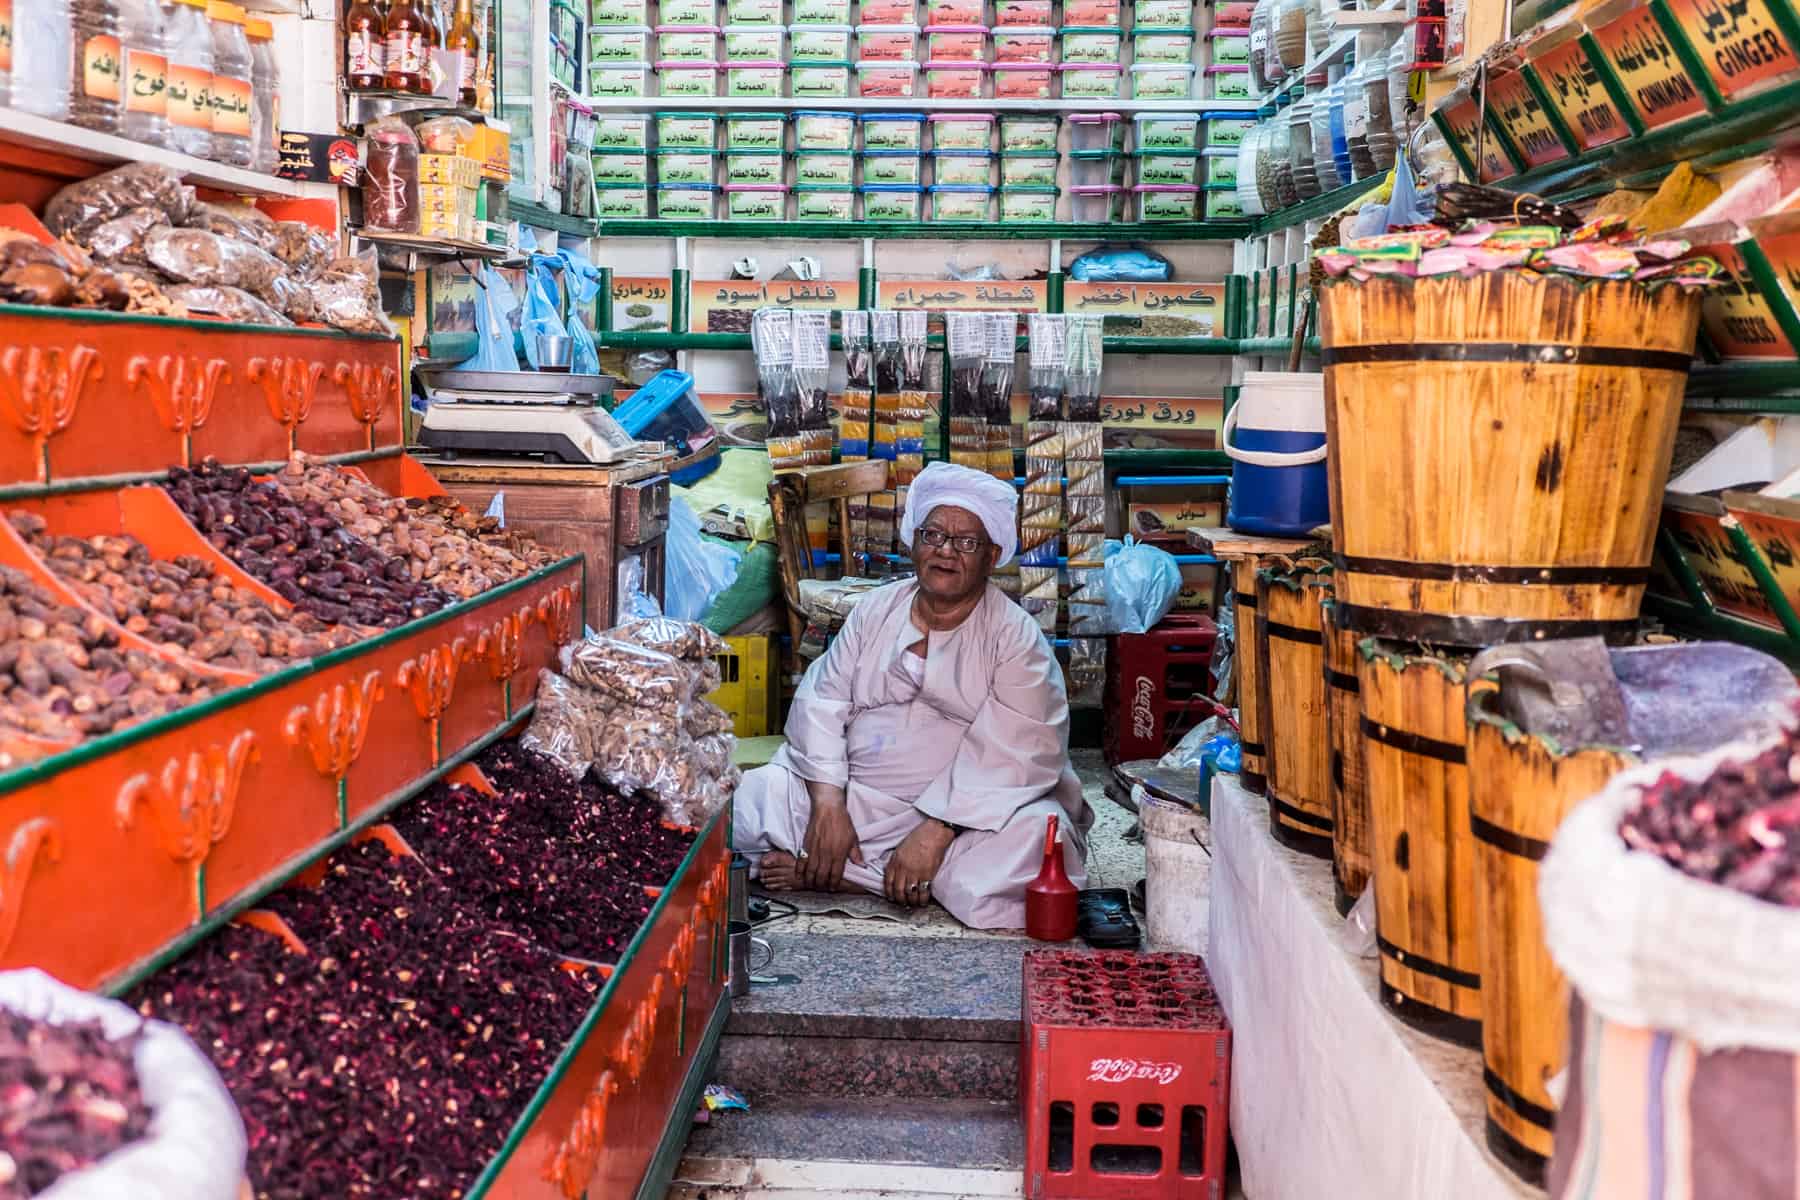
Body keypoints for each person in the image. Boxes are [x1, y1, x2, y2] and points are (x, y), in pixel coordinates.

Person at [731, 461, 1091, 929]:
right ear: (913, 541)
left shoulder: (1015, 637)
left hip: (968, 819)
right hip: (856, 800)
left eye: (966, 542)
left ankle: (853, 877)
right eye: (933, 536)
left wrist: (937, 830)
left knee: (1040, 836)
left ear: (992, 556)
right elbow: (822, 702)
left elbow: (1024, 750)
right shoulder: (877, 610)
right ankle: (871, 870)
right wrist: (828, 807)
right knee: (748, 798)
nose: (945, 552)